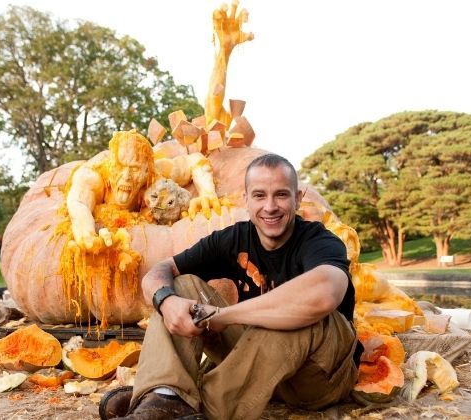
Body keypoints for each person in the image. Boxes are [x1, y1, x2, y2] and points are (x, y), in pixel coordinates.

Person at [99, 154, 360, 420]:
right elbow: (159, 272)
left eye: (281, 195)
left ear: (297, 198)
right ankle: (165, 397)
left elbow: (326, 293)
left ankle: (201, 407)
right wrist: (167, 301)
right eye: (259, 195)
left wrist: (225, 316)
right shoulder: (233, 238)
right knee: (181, 285)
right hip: (258, 369)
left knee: (298, 315)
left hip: (318, 377)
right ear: (245, 200)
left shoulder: (319, 239)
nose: (270, 206)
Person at [66, 129, 221, 251]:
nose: (126, 176)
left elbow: (194, 160)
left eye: (134, 169)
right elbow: (78, 202)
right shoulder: (93, 176)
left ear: (147, 170)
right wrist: (87, 235)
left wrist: (207, 193)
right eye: (120, 167)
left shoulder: (155, 173)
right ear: (112, 165)